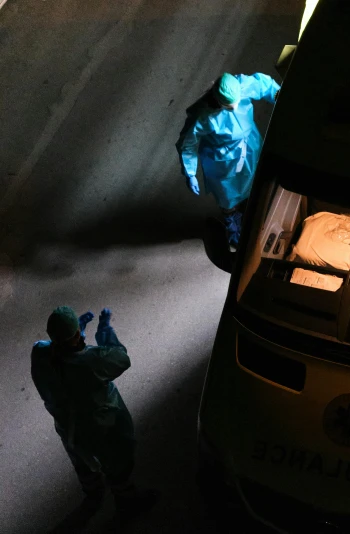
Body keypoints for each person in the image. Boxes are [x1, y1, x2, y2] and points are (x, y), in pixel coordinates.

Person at [31, 306, 156, 529]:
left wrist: (76, 334)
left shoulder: (40, 354)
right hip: (102, 427)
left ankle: (93, 494)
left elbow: (55, 353)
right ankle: (127, 502)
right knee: (117, 463)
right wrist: (105, 331)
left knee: (82, 461)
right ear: (76, 335)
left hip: (69, 428)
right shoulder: (91, 362)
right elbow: (120, 358)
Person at [176, 72, 281, 251]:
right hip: (223, 161)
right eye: (228, 106)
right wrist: (190, 172)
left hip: (249, 147)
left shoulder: (242, 86)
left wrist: (281, 96)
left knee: (254, 176)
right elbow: (188, 143)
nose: (234, 108)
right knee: (228, 192)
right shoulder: (203, 115)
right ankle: (232, 221)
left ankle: (251, 208)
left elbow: (265, 86)